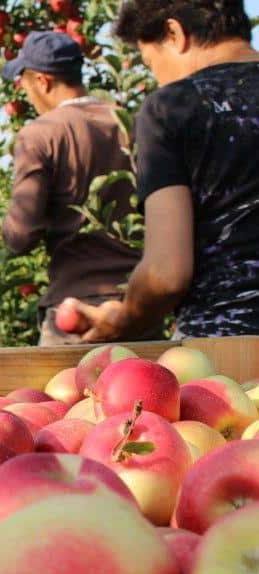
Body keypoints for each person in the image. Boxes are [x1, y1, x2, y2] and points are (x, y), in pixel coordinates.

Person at [69, 0, 259, 340]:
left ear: (174, 33)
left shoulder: (174, 106)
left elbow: (166, 274)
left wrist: (125, 317)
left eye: (151, 63)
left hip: (227, 347)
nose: (158, 78)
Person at [0, 31, 152, 345]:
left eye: (24, 85)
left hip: (76, 312)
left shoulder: (41, 134)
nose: (25, 94)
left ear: (42, 81)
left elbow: (20, 236)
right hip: (139, 307)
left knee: (71, 392)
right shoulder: (129, 123)